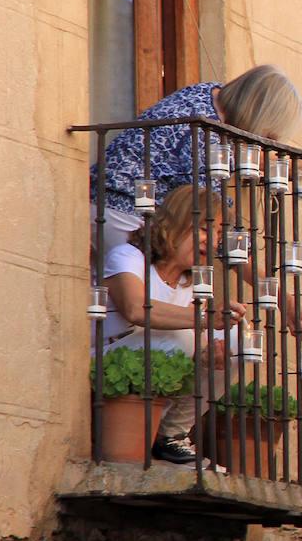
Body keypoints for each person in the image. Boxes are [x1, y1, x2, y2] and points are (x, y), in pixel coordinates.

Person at [99, 185, 245, 464]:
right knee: (185, 335)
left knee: (235, 337)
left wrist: (211, 356)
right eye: (204, 229)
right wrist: (204, 320)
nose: (212, 241)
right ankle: (128, 435)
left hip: (158, 371)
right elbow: (135, 308)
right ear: (177, 222)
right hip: (112, 371)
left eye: (216, 235)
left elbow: (197, 342)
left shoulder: (192, 284)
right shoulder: (129, 257)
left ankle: (170, 435)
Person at [93, 64, 302, 255]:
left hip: (108, 199)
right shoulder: (206, 138)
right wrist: (265, 284)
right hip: (124, 211)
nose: (264, 143)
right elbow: (213, 217)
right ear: (256, 116)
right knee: (141, 295)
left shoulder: (209, 93)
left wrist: (284, 167)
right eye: (268, 135)